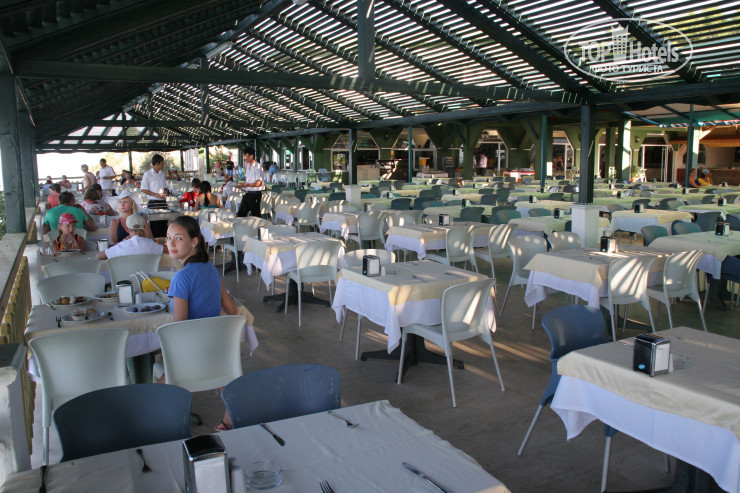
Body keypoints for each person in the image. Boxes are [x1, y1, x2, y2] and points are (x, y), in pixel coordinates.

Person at [164, 215, 238, 430]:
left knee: (151, 390)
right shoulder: (211, 269)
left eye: (178, 238)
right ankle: (231, 416)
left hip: (192, 359)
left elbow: (179, 329)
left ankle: (165, 425)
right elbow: (232, 311)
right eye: (168, 238)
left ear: (194, 241)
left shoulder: (181, 278)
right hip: (216, 352)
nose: (171, 243)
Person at [97, 215, 164, 260]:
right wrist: (157, 241)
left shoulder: (121, 246)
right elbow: (167, 249)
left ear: (127, 229)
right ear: (144, 228)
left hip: (125, 277)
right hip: (147, 277)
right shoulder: (151, 244)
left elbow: (99, 256)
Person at [236, 147, 265, 217]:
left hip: (255, 194)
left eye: (246, 156)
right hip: (248, 193)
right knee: (240, 214)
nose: (244, 158)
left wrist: (246, 185)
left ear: (251, 156)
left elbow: (259, 183)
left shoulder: (257, 167)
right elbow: (248, 181)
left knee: (256, 216)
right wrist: (242, 185)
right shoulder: (248, 165)